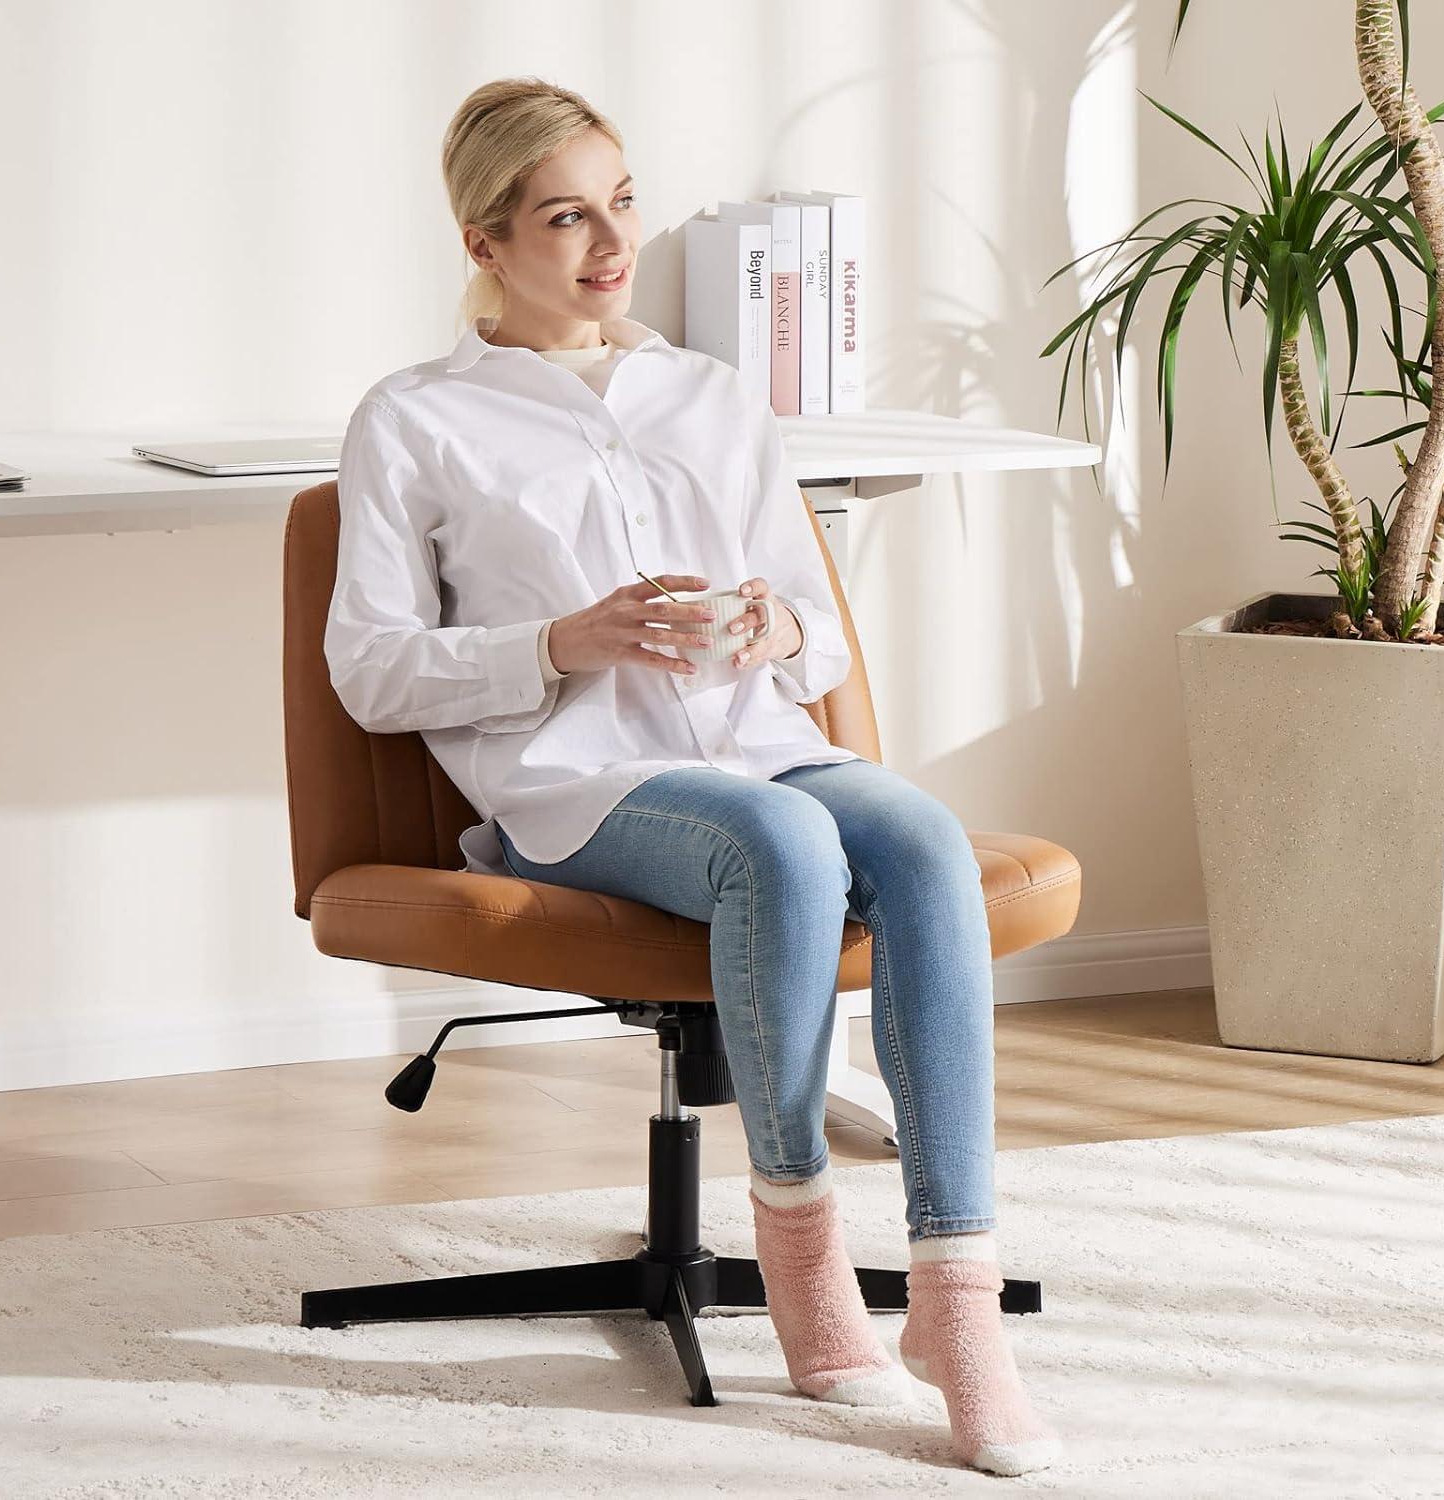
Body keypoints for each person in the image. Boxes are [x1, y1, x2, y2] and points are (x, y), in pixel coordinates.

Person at [324, 75, 1060, 1479]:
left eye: (621, 202)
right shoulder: (416, 421)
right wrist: (561, 642)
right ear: (486, 245)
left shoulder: (713, 396)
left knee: (913, 833)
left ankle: (958, 1308)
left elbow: (813, 617)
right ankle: (800, 1256)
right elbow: (371, 666)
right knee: (779, 846)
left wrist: (778, 627)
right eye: (564, 217)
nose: (610, 243)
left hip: (760, 740)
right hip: (574, 790)